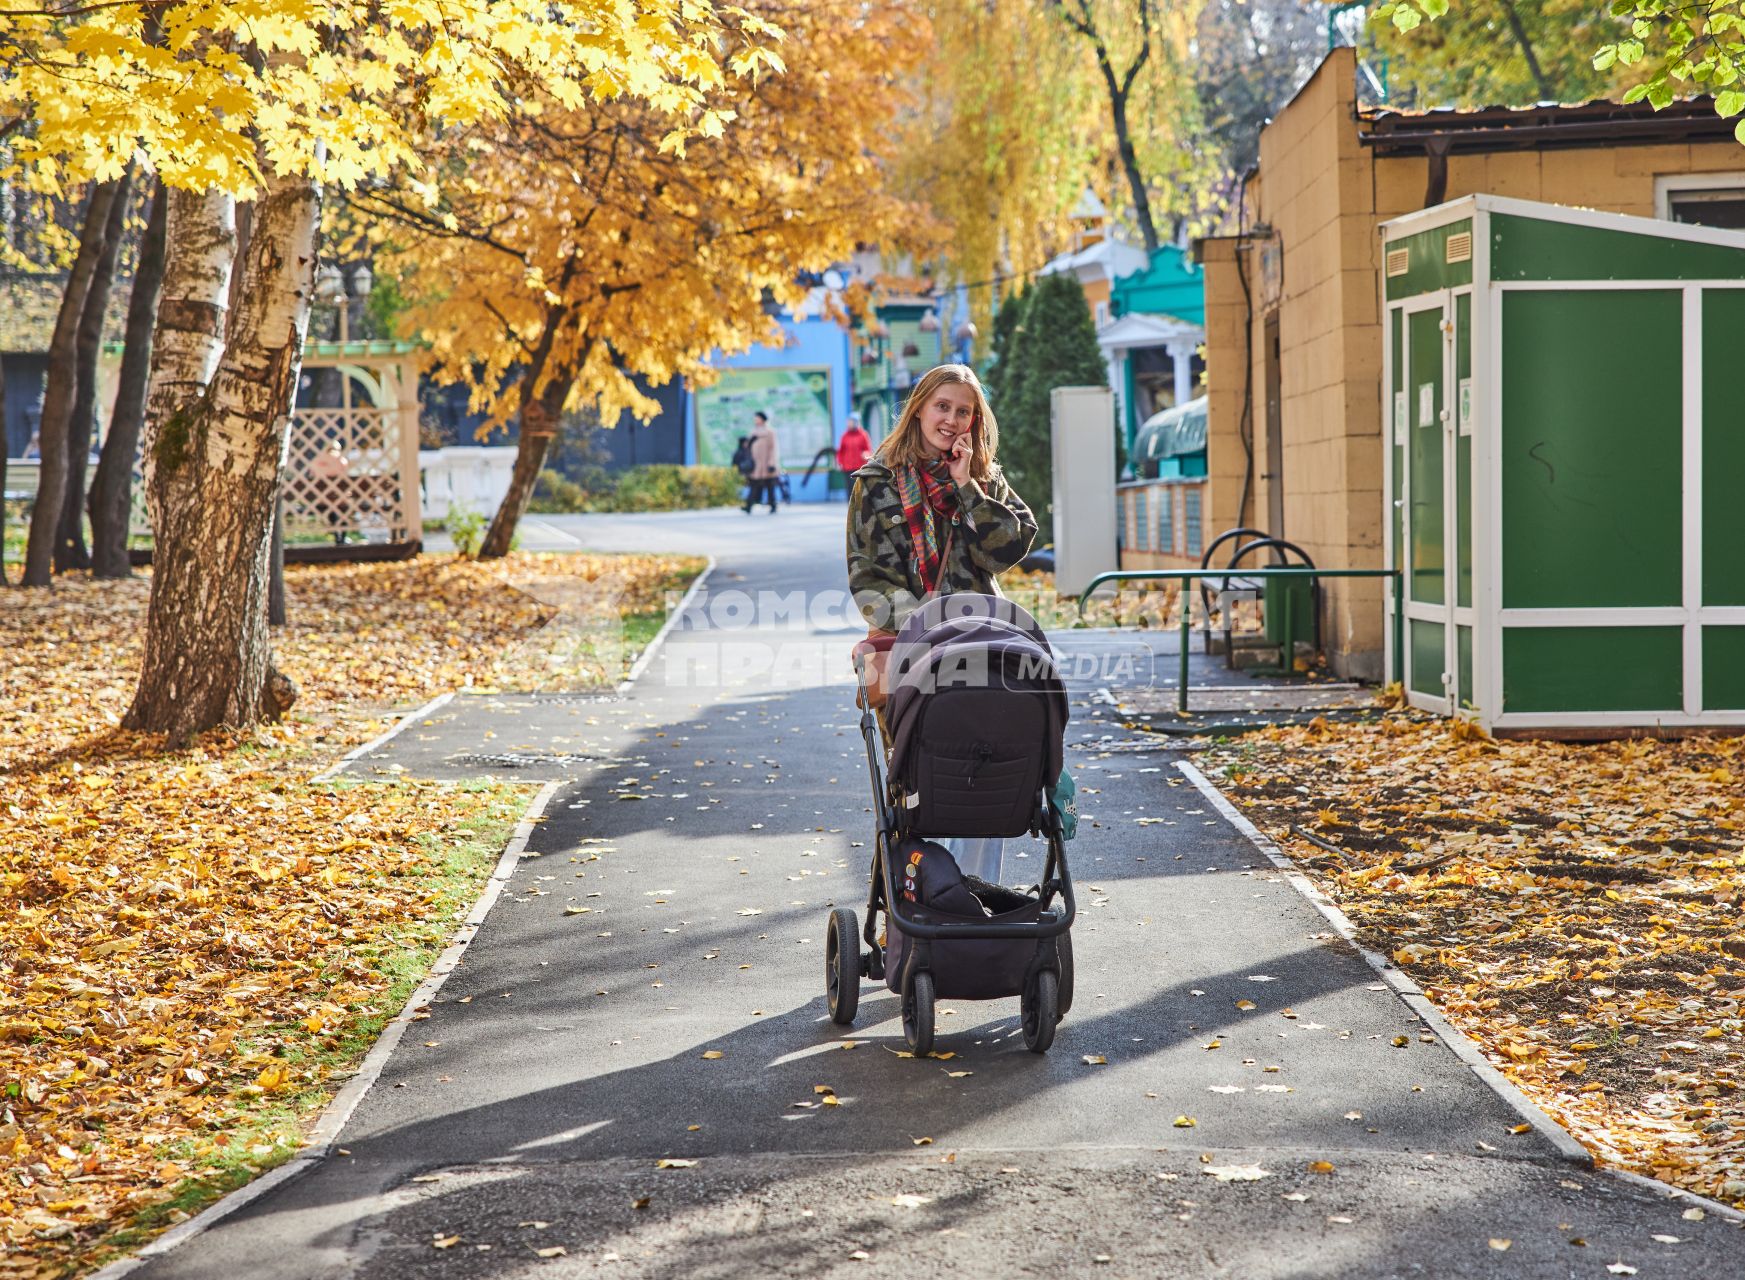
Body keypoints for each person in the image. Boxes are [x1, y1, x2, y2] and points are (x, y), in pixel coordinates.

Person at [845, 364, 1037, 886]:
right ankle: (917, 898)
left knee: (992, 771)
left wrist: (967, 486)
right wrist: (932, 627)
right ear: (920, 409)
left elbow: (1008, 550)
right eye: (942, 407)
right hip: (912, 654)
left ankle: (972, 899)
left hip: (985, 648)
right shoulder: (876, 483)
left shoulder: (985, 475)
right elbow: (869, 581)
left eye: (964, 412)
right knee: (923, 780)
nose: (951, 421)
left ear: (976, 421)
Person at [743, 411, 781, 514]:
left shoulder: (770, 432)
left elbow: (773, 448)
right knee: (753, 485)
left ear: (762, 419)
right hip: (756, 464)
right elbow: (748, 447)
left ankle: (773, 505)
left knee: (770, 486)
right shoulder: (753, 431)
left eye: (757, 418)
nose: (755, 420)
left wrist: (772, 462)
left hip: (767, 463)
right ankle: (748, 505)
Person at [834, 412, 872, 502]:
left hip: (859, 468)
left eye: (851, 421)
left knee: (860, 490)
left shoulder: (863, 435)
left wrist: (866, 454)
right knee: (850, 490)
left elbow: (868, 449)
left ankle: (861, 508)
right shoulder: (844, 436)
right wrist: (839, 462)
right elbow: (840, 452)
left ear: (856, 422)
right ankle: (851, 510)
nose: (849, 423)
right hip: (847, 468)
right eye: (848, 421)